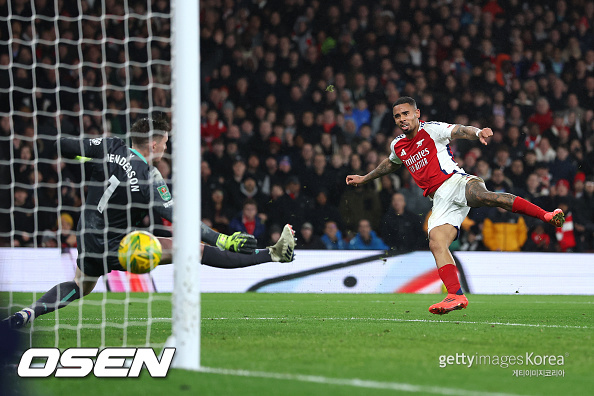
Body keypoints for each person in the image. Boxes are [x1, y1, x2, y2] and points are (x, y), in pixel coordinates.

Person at [3, 116, 295, 329]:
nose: (166, 148)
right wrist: (221, 237)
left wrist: (84, 156)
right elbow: (176, 218)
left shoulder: (110, 146)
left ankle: (29, 312)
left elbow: (65, 145)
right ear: (154, 143)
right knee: (195, 250)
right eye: (166, 143)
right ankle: (271, 254)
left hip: (88, 240)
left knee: (79, 285)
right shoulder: (148, 177)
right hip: (119, 247)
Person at [346, 97, 565, 315]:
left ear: (417, 113)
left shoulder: (432, 130)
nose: (402, 118)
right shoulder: (398, 146)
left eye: (406, 113)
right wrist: (365, 178)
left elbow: (460, 130)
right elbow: (390, 163)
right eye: (397, 116)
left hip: (456, 181)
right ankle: (456, 295)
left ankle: (546, 215)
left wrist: (478, 132)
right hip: (439, 200)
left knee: (487, 197)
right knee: (436, 242)